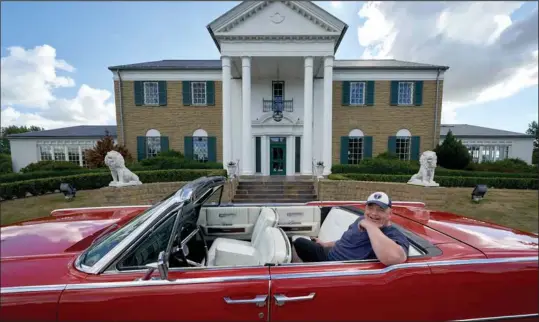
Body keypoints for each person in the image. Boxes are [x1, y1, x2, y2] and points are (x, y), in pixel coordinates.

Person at [292, 192, 409, 266]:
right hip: (330, 253)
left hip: (337, 267)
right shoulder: (360, 219)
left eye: (380, 210)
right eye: (370, 208)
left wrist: (370, 226)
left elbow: (396, 258)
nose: (373, 213)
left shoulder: (392, 234)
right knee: (298, 242)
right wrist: (324, 244)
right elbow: (347, 239)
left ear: (390, 214)